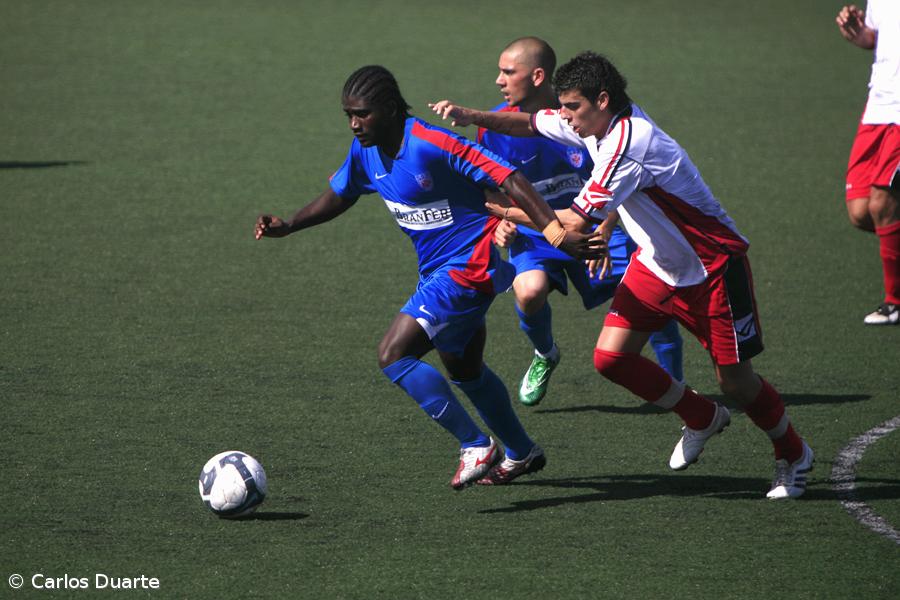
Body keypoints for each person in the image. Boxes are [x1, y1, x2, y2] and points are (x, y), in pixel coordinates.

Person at [431, 51, 814, 499]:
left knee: (736, 381)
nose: (565, 116)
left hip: (711, 268)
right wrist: (467, 115)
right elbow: (530, 123)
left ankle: (792, 454)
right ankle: (701, 416)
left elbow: (573, 223)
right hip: (656, 264)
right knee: (611, 358)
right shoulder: (592, 123)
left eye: (572, 106)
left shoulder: (628, 146)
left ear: (602, 99)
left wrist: (497, 209)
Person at [255, 66, 604, 489]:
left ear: (387, 108)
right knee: (465, 369)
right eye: (348, 113)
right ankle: (521, 451)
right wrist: (290, 224)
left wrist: (553, 232)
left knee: (393, 354)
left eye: (362, 113)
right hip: (438, 271)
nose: (353, 123)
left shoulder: (432, 143)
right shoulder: (365, 148)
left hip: (469, 266)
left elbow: (510, 178)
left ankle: (476, 445)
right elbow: (342, 193)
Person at [478, 37, 684, 407]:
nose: (499, 80)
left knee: (650, 293)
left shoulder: (584, 119)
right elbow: (487, 191)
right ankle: (545, 354)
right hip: (535, 230)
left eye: (508, 72)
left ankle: (674, 380)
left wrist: (605, 229)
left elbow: (626, 183)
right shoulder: (496, 127)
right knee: (528, 291)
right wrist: (499, 224)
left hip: (594, 226)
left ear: (538, 76)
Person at [836, 3, 900, 325]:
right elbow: (880, 37)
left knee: (882, 203)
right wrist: (861, 34)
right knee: (861, 210)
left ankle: (896, 302)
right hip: (879, 102)